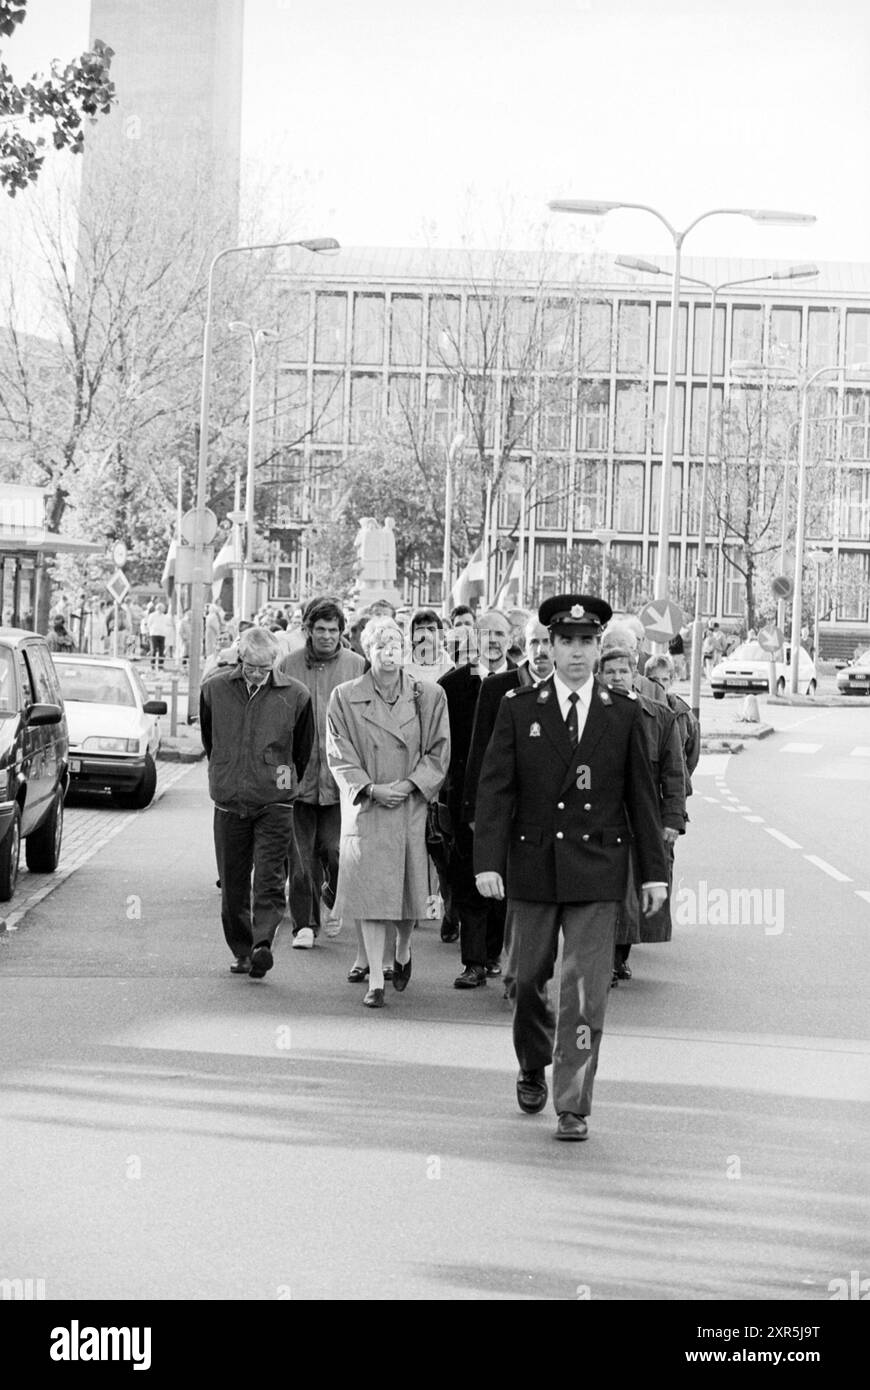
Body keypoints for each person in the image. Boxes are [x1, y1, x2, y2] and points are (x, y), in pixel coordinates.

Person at [473, 594, 667, 1142]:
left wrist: (653, 874)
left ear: (598, 647)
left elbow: (641, 800)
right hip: (532, 865)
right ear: (550, 647)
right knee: (527, 978)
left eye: (587, 642)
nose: (577, 652)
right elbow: (495, 790)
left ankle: (574, 1102)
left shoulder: (623, 712)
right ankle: (533, 1060)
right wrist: (488, 861)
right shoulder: (519, 707)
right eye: (567, 642)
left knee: (583, 992)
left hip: (597, 868)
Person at [326, 616, 450, 1008]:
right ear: (368, 651)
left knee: (409, 895)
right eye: (381, 646)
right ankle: (376, 980)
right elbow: (339, 751)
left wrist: (411, 785)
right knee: (371, 896)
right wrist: (371, 788)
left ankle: (403, 950)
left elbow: (438, 750)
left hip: (410, 805)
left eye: (396, 645)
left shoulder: (428, 695)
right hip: (368, 808)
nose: (390, 653)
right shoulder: (344, 697)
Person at [200, 626, 314, 979]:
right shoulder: (214, 689)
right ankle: (243, 949)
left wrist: (281, 782)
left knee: (268, 877)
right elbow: (209, 738)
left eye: (264, 669)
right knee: (232, 884)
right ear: (239, 658)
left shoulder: (296, 695)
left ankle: (263, 943)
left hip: (275, 801)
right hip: (229, 799)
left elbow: (301, 752)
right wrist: (225, 771)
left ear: (274, 664)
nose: (255, 674)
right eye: (250, 666)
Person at [459, 615, 556, 993]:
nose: (541, 650)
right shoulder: (499, 687)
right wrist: (473, 811)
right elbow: (479, 751)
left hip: (540, 816)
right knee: (478, 883)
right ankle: (473, 962)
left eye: (548, 642)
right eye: (534, 642)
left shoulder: (568, 690)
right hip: (498, 807)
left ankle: (512, 963)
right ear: (524, 644)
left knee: (522, 894)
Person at [276, 597, 365, 951]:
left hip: (341, 781)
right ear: (308, 631)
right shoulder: (288, 666)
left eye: (333, 630)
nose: (327, 636)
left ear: (342, 632)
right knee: (299, 860)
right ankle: (304, 925)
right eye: (320, 630)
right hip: (297, 780)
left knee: (335, 851)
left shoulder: (358, 666)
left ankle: (332, 891)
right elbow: (277, 724)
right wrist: (281, 777)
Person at [599, 647, 686, 985]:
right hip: (600, 819)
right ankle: (603, 961)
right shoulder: (587, 713)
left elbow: (674, 772)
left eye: (623, 671)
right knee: (603, 891)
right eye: (610, 672)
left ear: (634, 674)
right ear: (600, 676)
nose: (617, 678)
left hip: (641, 820)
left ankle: (620, 955)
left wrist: (671, 821)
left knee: (633, 893)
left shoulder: (658, 716)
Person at [404, 608, 453, 683]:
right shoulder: (401, 670)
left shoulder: (451, 670)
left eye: (431, 629)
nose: (426, 635)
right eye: (420, 629)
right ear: (411, 636)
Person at [147, 602, 172, 670]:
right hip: (154, 634)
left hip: (162, 634)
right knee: (154, 650)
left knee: (161, 650)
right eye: (161, 608)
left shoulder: (165, 616)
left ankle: (160, 665)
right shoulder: (152, 615)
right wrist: (150, 631)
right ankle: (153, 665)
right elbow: (149, 624)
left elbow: (168, 624)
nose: (162, 610)